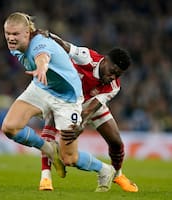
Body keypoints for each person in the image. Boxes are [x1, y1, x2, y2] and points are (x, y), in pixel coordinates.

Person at [2, 12, 115, 192]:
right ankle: (48, 148)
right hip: (42, 88)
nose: (10, 38)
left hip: (67, 99)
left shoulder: (39, 43)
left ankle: (105, 170)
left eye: (15, 34)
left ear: (27, 32)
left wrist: (41, 67)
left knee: (69, 158)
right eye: (7, 33)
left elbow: (43, 56)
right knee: (9, 127)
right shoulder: (14, 47)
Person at [38, 32, 138, 192]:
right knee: (50, 131)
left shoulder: (113, 87)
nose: (113, 77)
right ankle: (45, 177)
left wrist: (80, 123)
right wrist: (48, 35)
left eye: (118, 75)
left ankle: (118, 174)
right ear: (105, 60)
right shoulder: (87, 57)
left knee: (116, 142)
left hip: (90, 105)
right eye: (112, 71)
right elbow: (65, 45)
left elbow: (93, 108)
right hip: (66, 99)